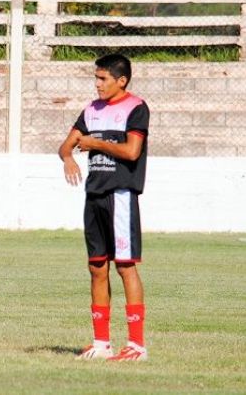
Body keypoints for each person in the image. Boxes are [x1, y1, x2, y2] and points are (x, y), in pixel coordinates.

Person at [58, 53, 150, 361]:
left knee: (125, 266)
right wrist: (68, 158)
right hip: (94, 196)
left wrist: (96, 144)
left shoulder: (136, 108)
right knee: (97, 267)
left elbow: (132, 151)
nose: (97, 84)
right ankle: (101, 344)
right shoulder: (91, 110)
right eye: (95, 78)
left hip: (120, 196)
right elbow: (66, 146)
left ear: (121, 81)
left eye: (103, 79)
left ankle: (136, 346)